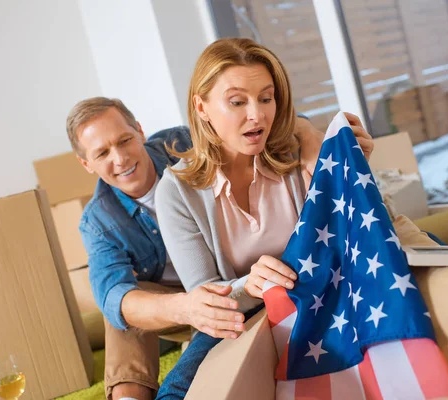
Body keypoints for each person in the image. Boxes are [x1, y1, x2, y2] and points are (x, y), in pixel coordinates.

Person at [66, 96, 353, 400]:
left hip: (231, 282)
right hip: (177, 305)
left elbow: (271, 123)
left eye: (124, 140)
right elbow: (114, 296)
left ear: (139, 130)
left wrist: (310, 139)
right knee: (121, 304)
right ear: (86, 163)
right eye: (102, 153)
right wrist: (190, 308)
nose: (120, 158)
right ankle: (129, 396)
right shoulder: (98, 220)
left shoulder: (183, 144)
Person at [153, 38, 373, 399]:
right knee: (176, 390)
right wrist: (249, 285)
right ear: (202, 107)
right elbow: (207, 297)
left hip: (321, 295)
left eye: (266, 98)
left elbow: (349, 237)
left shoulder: (301, 152)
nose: (257, 114)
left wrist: (356, 172)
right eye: (237, 102)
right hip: (240, 316)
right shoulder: (177, 191)